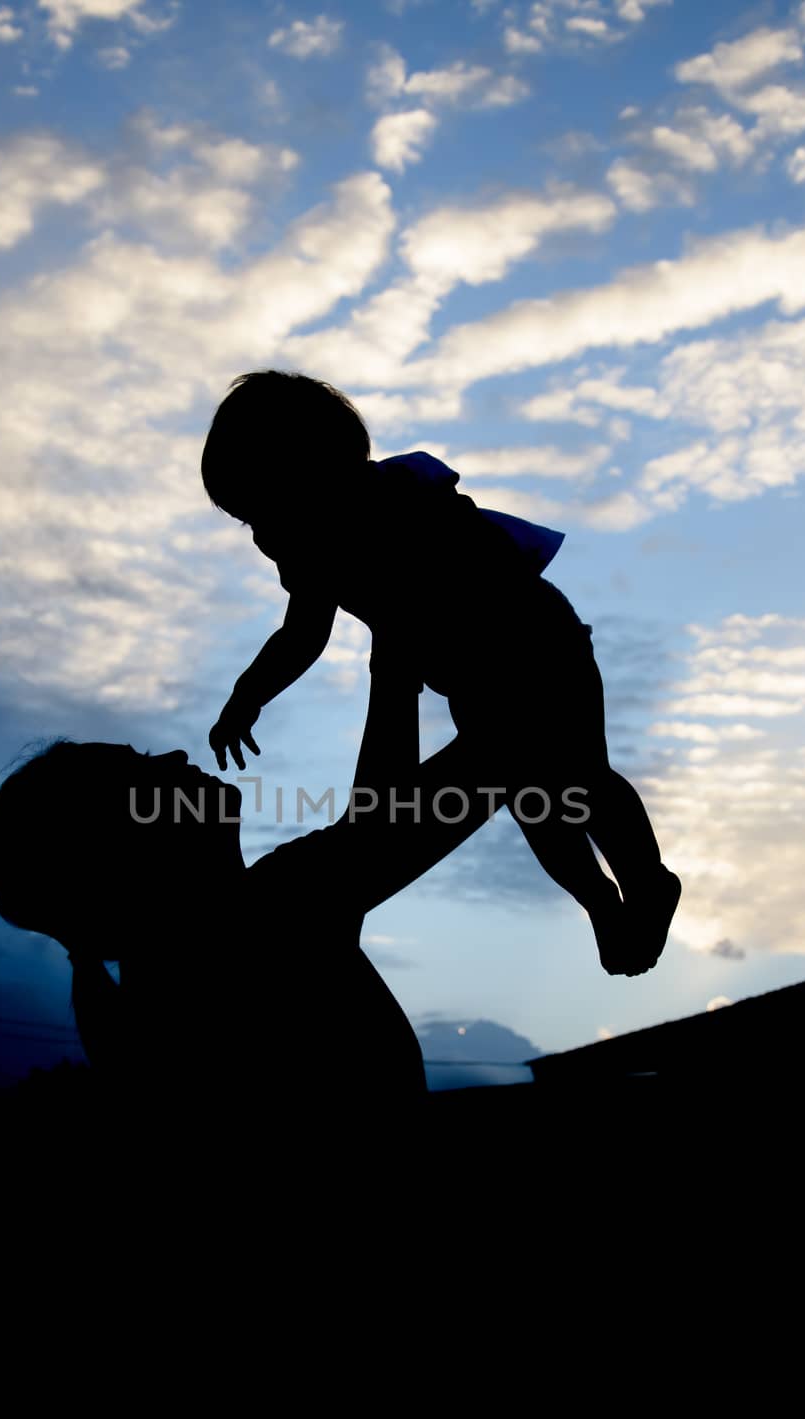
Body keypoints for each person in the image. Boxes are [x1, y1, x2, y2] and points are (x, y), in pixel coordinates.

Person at [201, 369, 680, 977]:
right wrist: (248, 695)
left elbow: (496, 571)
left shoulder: (402, 503)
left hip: (538, 645)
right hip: (470, 678)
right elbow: (303, 632)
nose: (266, 536)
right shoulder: (304, 544)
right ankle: (599, 902)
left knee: (579, 776)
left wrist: (443, 608)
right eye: (252, 520)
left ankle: (647, 881)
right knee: (535, 801)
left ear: (324, 473)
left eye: (270, 506)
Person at [0, 647, 501, 1115]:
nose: (175, 758)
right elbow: (496, 756)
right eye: (141, 771)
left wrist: (394, 661)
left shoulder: (183, 972)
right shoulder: (259, 922)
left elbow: (379, 822)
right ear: (117, 851)